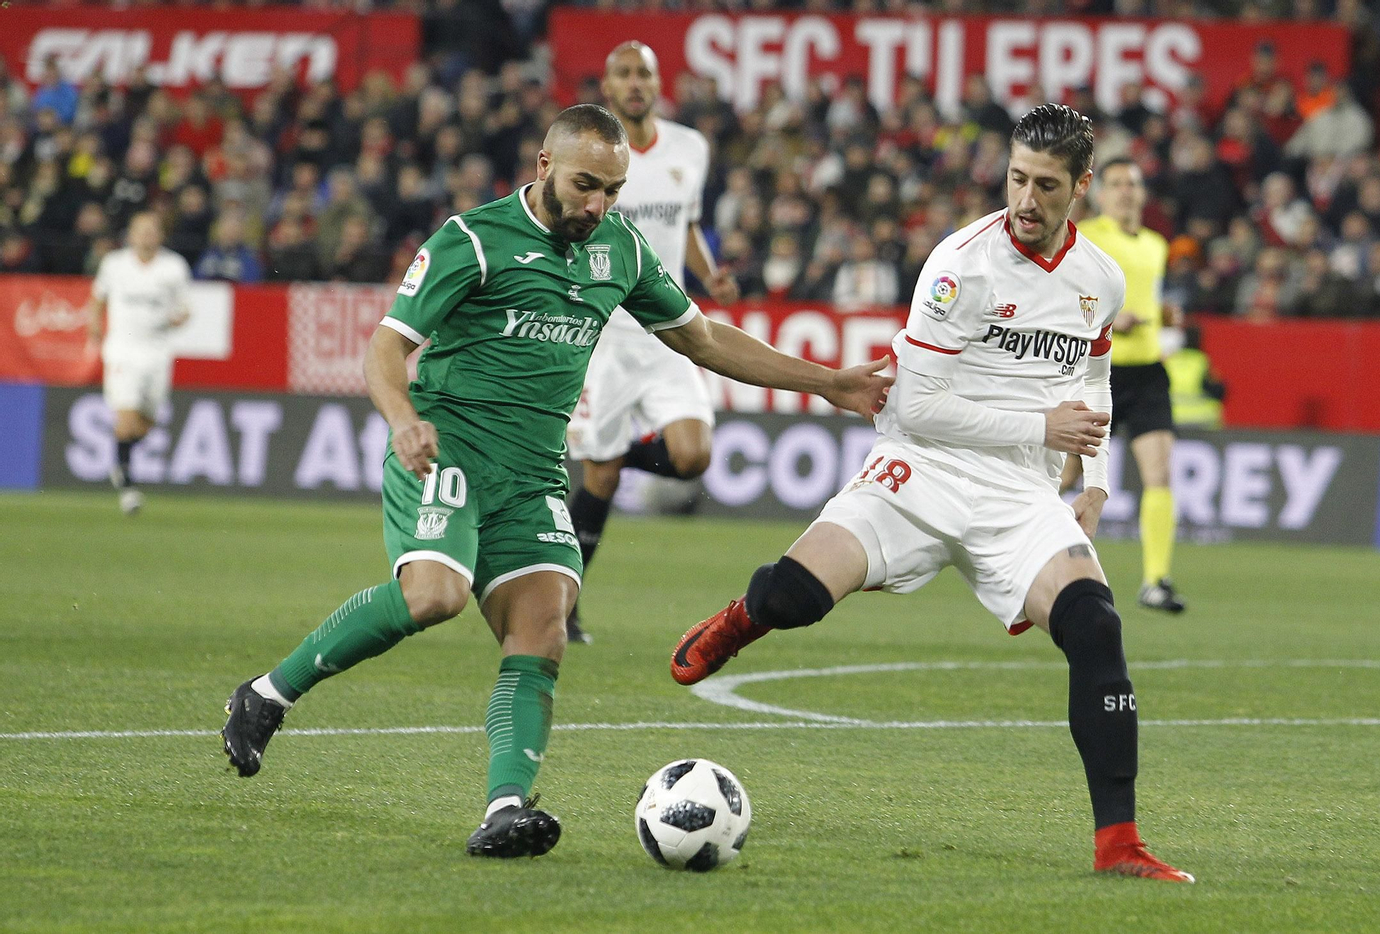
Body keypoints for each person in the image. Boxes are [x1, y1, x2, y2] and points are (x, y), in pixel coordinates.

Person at [219, 104, 892, 858]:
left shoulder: (621, 249)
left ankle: (505, 807)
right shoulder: (471, 240)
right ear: (543, 166)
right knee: (434, 596)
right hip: (450, 456)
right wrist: (403, 418)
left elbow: (703, 340)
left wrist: (826, 382)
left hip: (533, 474)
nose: (597, 205)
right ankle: (268, 694)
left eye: (612, 189)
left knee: (542, 627)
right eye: (584, 185)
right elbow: (385, 347)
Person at [669, 104, 1193, 884]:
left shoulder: (1100, 278)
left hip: (1019, 493)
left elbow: (1093, 380)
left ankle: (1119, 841)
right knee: (798, 597)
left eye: (1047, 185)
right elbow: (914, 406)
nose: (1025, 199)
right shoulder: (960, 264)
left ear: (1080, 187)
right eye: (1017, 178)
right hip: (922, 469)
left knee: (1096, 628)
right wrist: (1038, 424)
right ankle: (746, 616)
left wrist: (1097, 484)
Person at [563, 42, 740, 645]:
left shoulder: (690, 147)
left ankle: (603, 454)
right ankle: (565, 604)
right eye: (624, 74)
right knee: (603, 485)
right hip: (606, 334)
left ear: (658, 84)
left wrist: (708, 270)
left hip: (666, 326)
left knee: (692, 457)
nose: (635, 83)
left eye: (644, 73)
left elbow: (684, 222)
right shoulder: (592, 156)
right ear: (607, 87)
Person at [1075, 159, 1186, 612]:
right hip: (1098, 368)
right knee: (1062, 474)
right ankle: (1018, 552)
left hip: (1147, 370)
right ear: (1101, 194)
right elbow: (1068, 292)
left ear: (1142, 194)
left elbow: (1148, 298)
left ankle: (1155, 580)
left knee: (1159, 473)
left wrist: (1164, 321)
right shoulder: (1088, 236)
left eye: (1133, 184)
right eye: (1116, 183)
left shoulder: (1157, 245)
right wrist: (1106, 316)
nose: (1125, 191)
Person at [85, 211, 193, 515]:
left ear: (160, 235)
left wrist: (178, 318)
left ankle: (121, 460)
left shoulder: (173, 267)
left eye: (151, 231)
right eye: (140, 230)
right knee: (127, 417)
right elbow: (98, 296)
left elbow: (185, 309)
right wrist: (94, 323)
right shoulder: (114, 264)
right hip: (122, 349)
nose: (145, 236)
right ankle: (128, 487)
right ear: (130, 235)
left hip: (156, 352)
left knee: (146, 422)